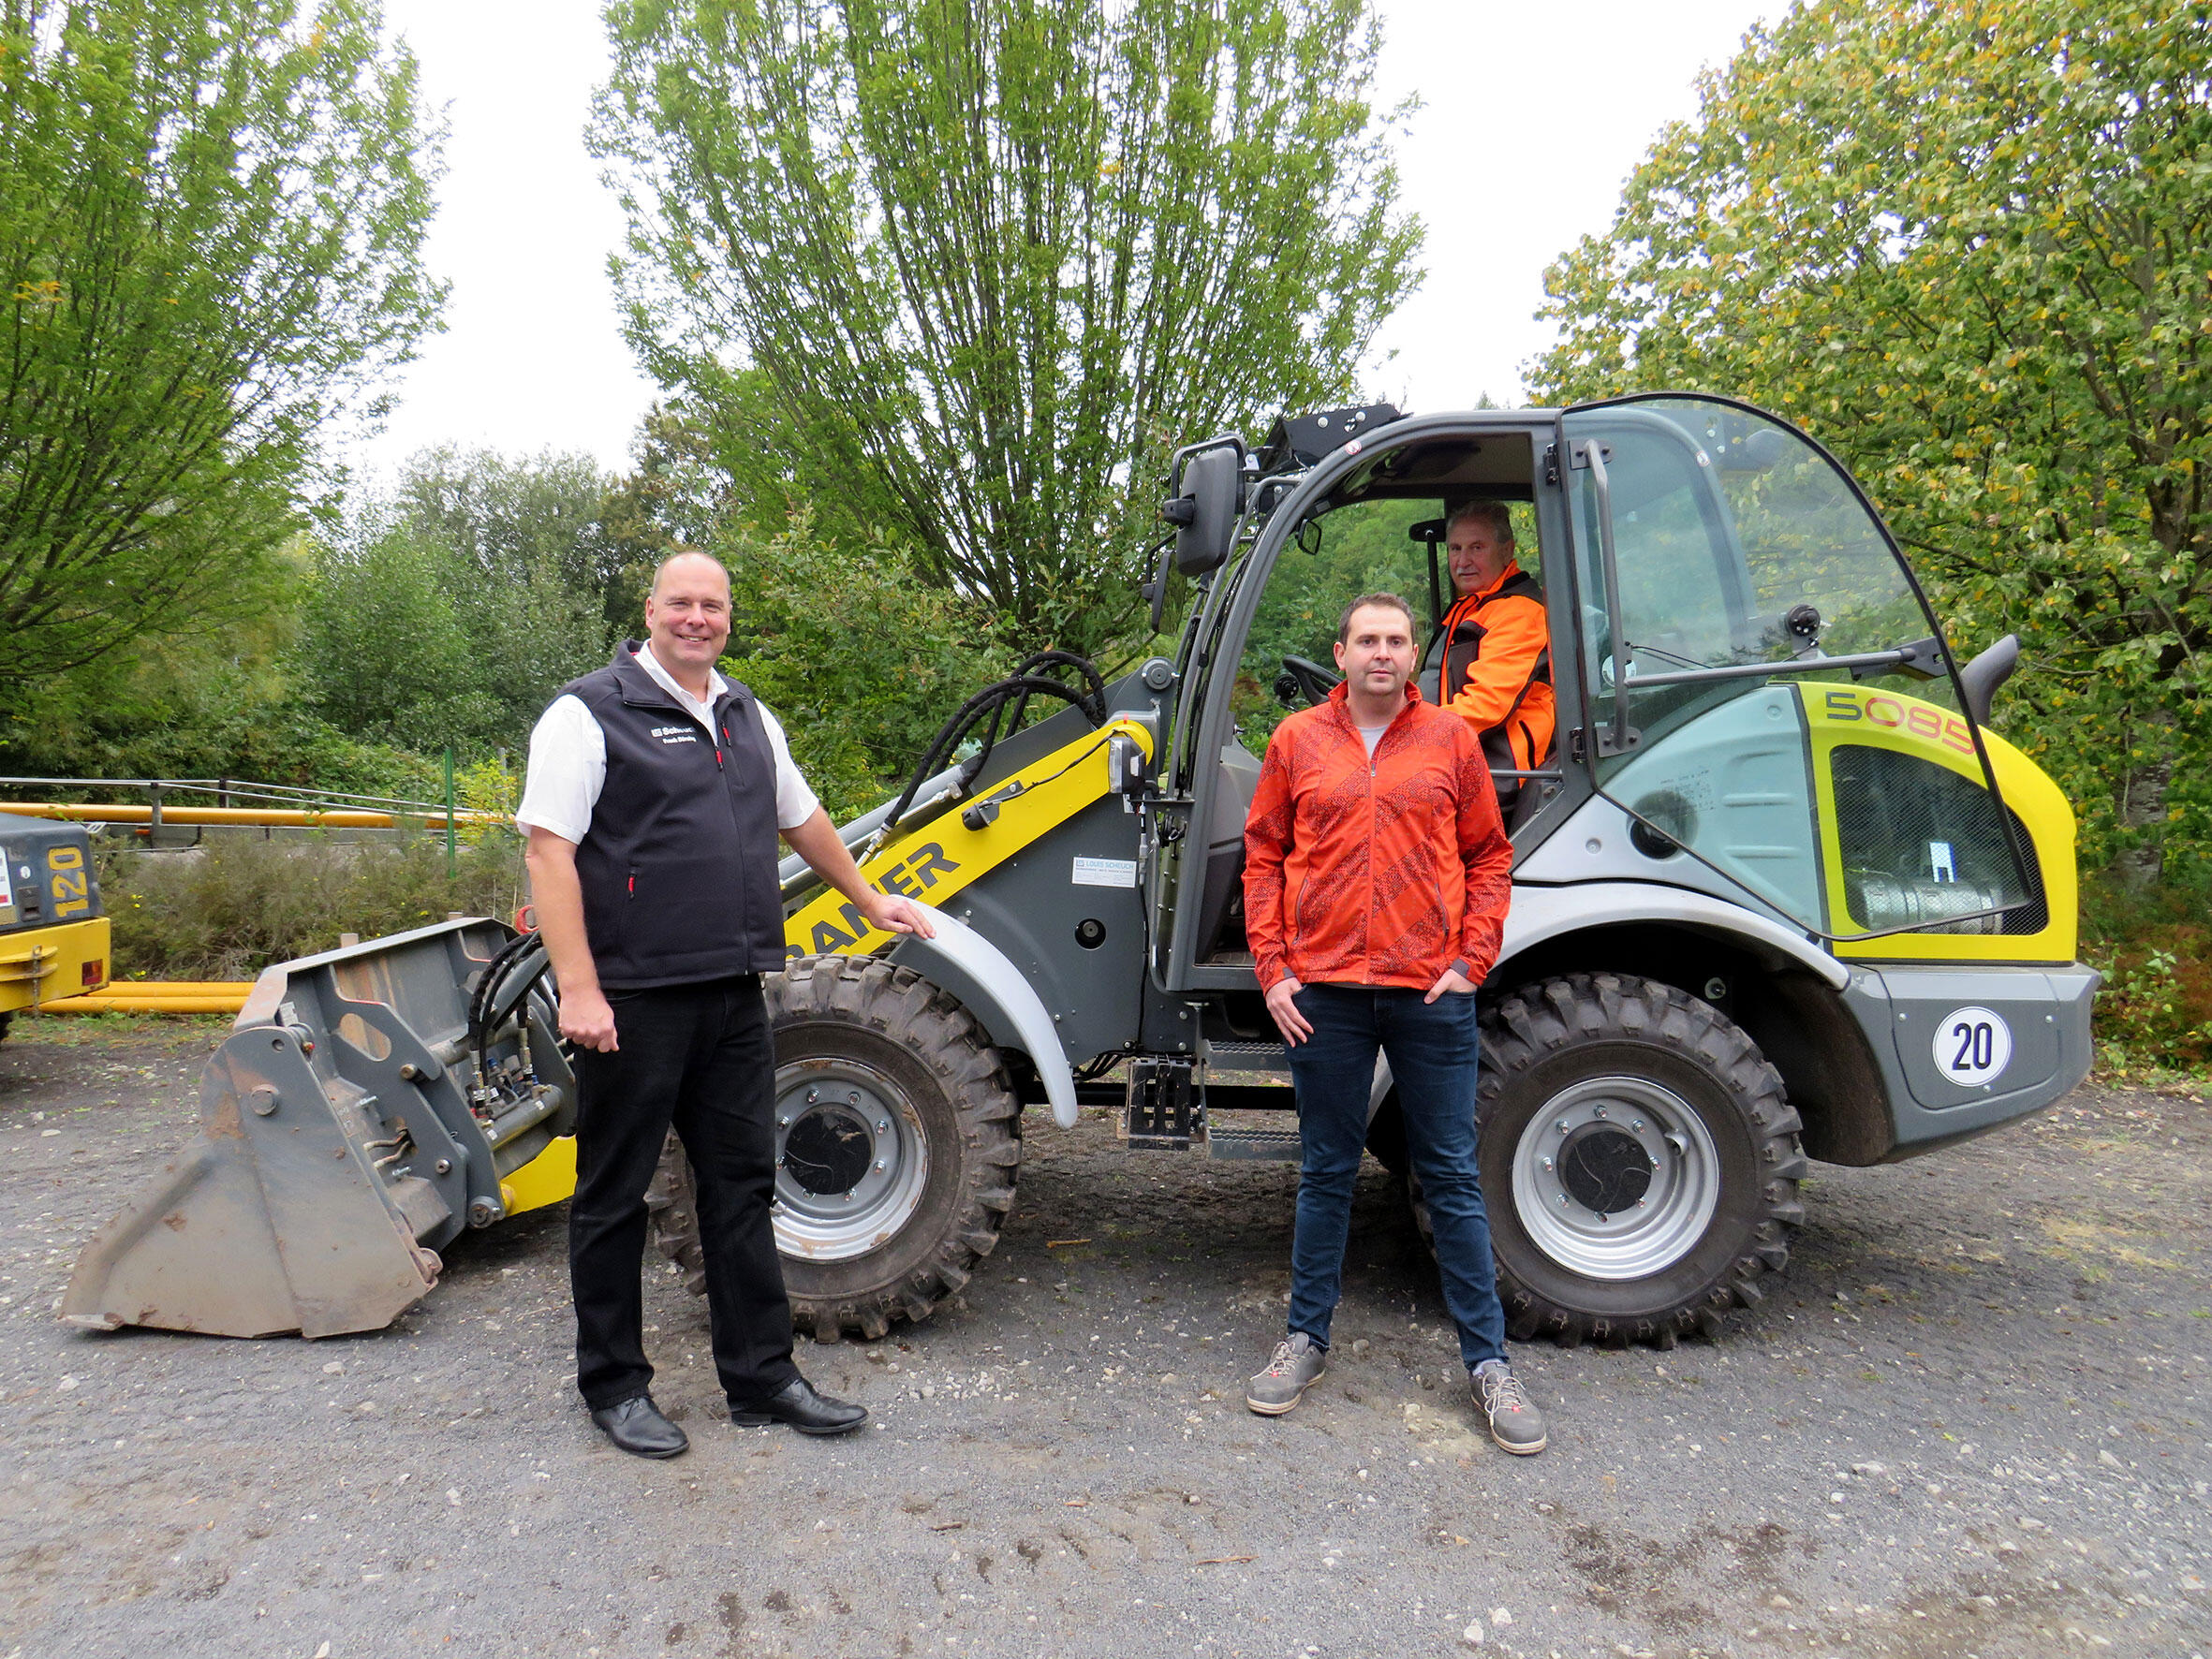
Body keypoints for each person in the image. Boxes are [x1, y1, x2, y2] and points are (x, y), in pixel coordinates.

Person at [517, 551, 935, 1459]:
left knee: (742, 1185)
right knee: (613, 1192)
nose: (697, 617)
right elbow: (549, 852)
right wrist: (580, 986)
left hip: (731, 989)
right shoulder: (588, 713)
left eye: (712, 604)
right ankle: (616, 1386)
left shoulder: (747, 714)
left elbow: (804, 815)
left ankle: (762, 1376)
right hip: (631, 994)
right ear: (650, 611)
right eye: (681, 602)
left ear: (728, 616)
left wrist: (869, 899)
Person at [1239, 592, 1545, 1455]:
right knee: (1327, 1170)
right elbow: (1263, 856)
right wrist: (1275, 971)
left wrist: (1469, 962)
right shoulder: (1297, 741)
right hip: (1325, 996)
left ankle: (1489, 1365)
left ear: (1415, 656)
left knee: (1448, 1173)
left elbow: (1489, 854)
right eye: (1367, 640)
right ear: (1340, 653)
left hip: (1428, 994)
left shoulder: (1451, 740)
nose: (1382, 653)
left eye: (1397, 641)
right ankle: (1306, 1339)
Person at [1435, 499, 1554, 815]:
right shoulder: (1472, 608)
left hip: (1502, 775)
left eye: (1477, 547)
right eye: (1455, 549)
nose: (1462, 561)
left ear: (1507, 550)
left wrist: (1410, 738)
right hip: (1465, 764)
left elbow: (1486, 706)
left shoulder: (1518, 611)